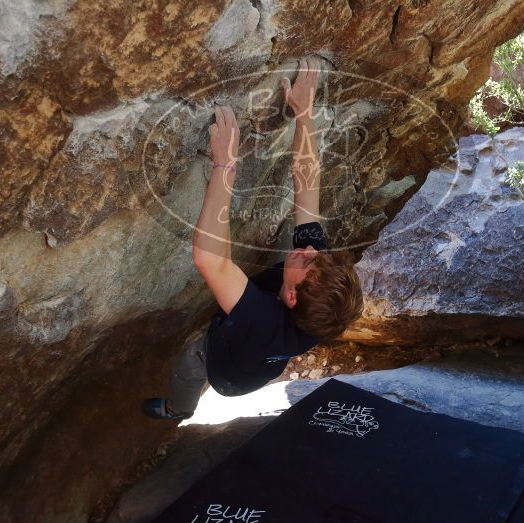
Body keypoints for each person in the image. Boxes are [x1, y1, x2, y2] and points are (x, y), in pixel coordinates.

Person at [142, 58, 363, 420]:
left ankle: (176, 410)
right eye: (317, 255)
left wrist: (225, 164)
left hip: (228, 375)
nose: (309, 250)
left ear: (291, 297)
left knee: (189, 364)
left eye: (307, 261)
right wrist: (304, 114)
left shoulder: (264, 324)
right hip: (263, 362)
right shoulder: (318, 292)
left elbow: (211, 260)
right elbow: (307, 189)